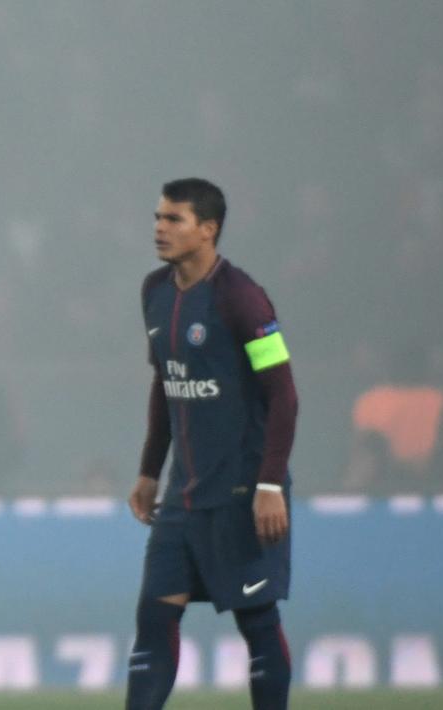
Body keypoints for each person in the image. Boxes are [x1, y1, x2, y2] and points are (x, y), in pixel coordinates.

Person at [126, 178, 299, 710]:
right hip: (183, 494)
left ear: (208, 229)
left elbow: (284, 395)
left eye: (173, 219)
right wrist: (150, 470)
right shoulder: (155, 291)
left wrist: (269, 484)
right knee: (154, 617)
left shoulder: (242, 298)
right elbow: (166, 382)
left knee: (257, 620)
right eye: (158, 217)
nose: (159, 227)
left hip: (243, 490)